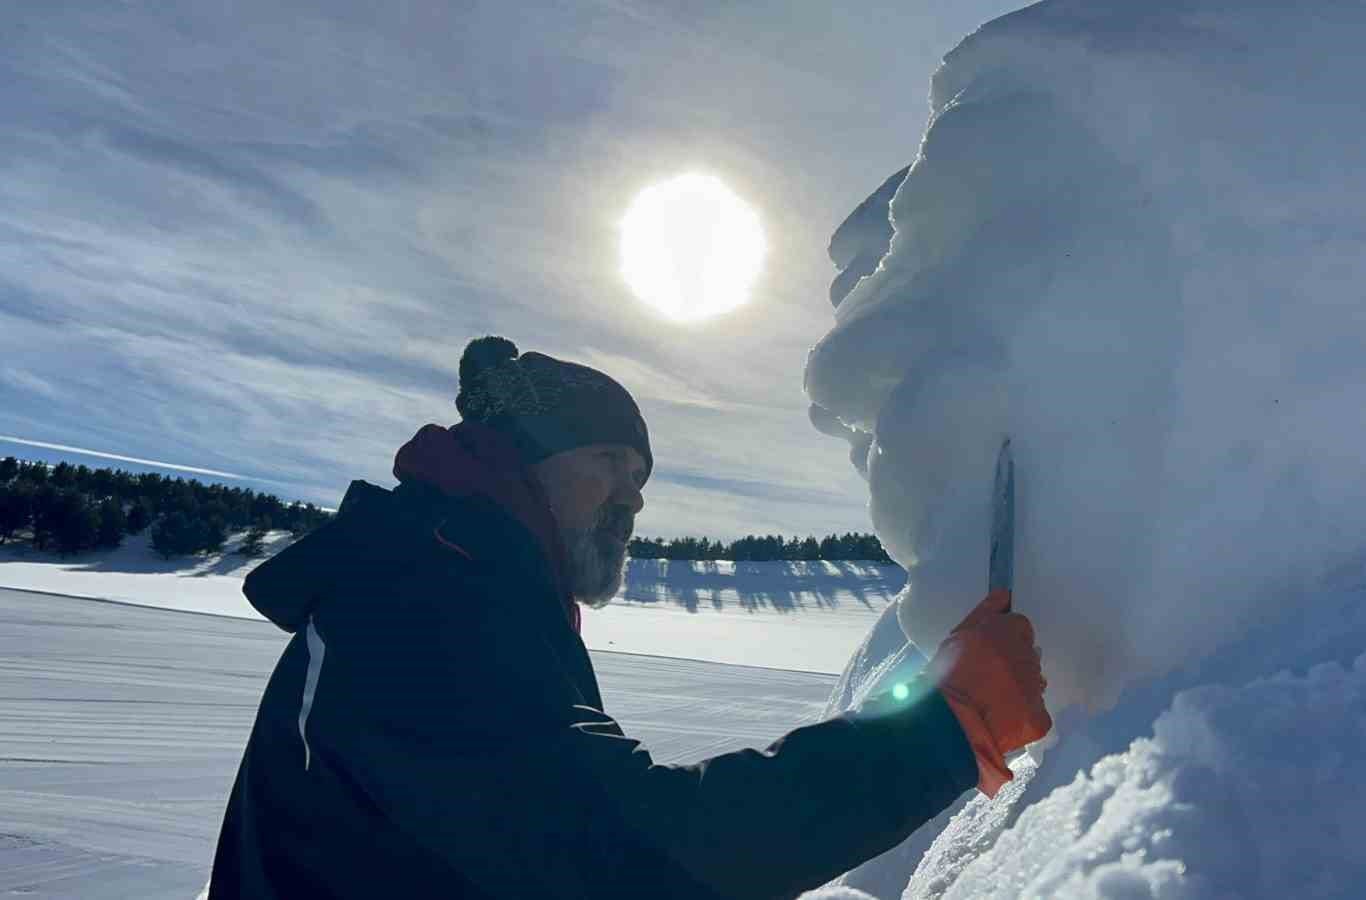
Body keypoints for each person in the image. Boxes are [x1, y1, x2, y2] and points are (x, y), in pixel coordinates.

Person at [206, 335, 1050, 899]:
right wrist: (946, 726)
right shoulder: (422, 598)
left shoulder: (456, 584)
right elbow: (627, 851)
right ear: (517, 460)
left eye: (641, 477)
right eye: (608, 461)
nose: (632, 497)